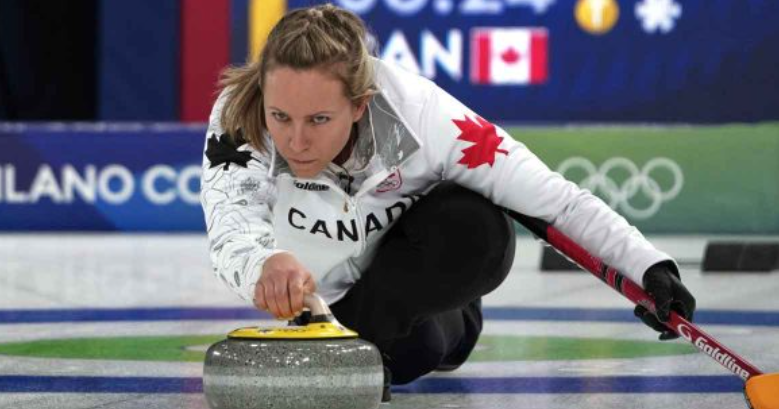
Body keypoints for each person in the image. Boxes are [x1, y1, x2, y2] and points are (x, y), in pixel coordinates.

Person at [200, 3, 696, 398]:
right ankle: (364, 348)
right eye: (281, 116)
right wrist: (265, 261)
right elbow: (231, 221)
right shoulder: (241, 116)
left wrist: (648, 267)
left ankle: (381, 345)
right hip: (328, 302)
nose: (295, 141)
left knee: (477, 228)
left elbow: (555, 204)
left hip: (409, 282)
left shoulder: (426, 117)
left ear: (359, 103)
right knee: (416, 349)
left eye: (318, 120)